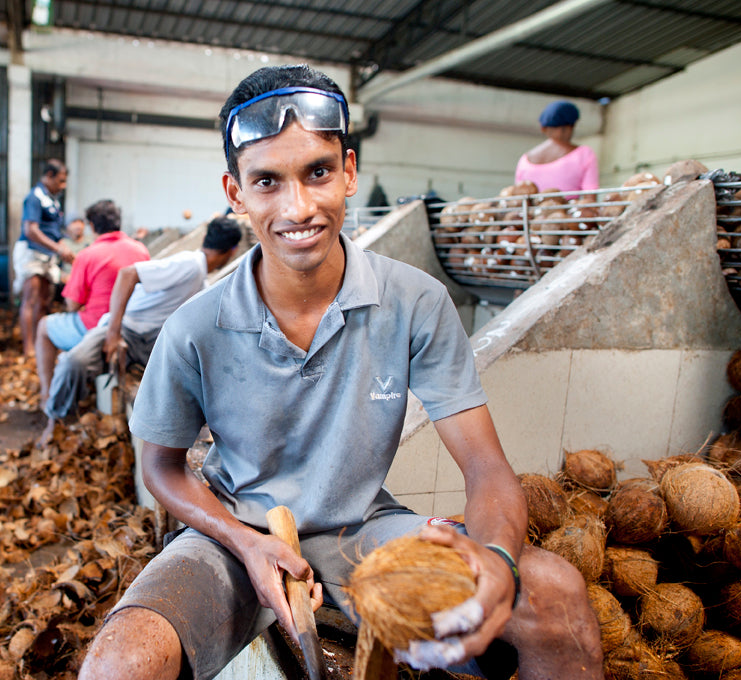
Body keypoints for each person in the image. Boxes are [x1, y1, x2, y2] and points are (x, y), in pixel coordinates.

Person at [78, 65, 602, 680]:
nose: (298, 207)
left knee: (555, 595)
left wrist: (496, 562)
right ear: (236, 192)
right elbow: (160, 467)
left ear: (348, 170)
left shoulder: (414, 302)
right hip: (235, 533)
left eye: (318, 172)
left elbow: (488, 471)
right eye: (267, 181)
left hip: (364, 533)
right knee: (120, 662)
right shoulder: (195, 326)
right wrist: (247, 543)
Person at [39, 216, 243, 445]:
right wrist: (113, 333)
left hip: (149, 343)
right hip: (127, 328)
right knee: (73, 362)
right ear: (233, 251)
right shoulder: (190, 264)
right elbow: (127, 274)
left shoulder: (201, 281)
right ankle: (53, 422)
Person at [36, 199, 149, 404]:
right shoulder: (140, 250)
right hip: (132, 327)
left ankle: (46, 394)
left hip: (96, 327)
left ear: (92, 225)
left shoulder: (87, 255)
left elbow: (72, 305)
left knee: (44, 326)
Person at [14, 159, 77, 356]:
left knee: (44, 300)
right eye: (60, 181)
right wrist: (58, 249)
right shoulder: (34, 198)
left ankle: (40, 342)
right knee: (30, 299)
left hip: (47, 255)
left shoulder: (53, 199)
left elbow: (53, 231)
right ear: (48, 176)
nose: (63, 186)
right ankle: (28, 348)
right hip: (32, 253)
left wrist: (63, 245)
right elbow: (31, 230)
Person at [515, 100, 599, 194]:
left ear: (543, 128)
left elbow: (519, 198)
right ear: (571, 126)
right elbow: (589, 200)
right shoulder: (584, 154)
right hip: (567, 208)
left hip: (531, 209)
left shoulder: (525, 160)